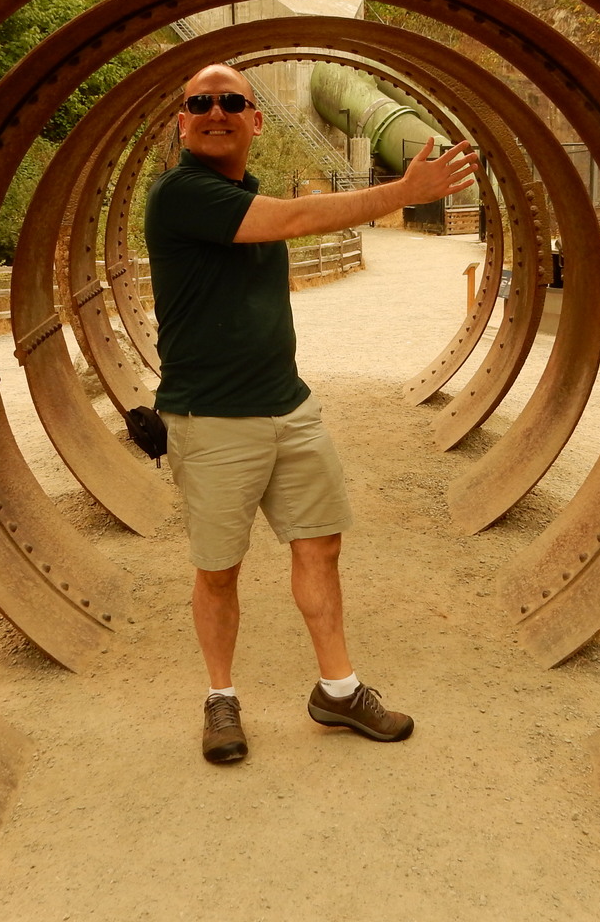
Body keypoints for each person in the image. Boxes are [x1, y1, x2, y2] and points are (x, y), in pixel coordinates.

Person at [143, 62, 479, 764]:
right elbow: (295, 219)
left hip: (289, 407)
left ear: (255, 120)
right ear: (182, 122)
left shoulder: (245, 192)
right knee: (219, 569)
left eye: (230, 101)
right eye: (199, 103)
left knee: (320, 545)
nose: (214, 111)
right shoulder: (180, 193)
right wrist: (403, 192)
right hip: (212, 418)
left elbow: (280, 224)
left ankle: (339, 689)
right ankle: (220, 699)